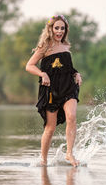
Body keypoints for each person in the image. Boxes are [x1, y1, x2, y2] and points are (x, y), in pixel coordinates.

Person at [26, 15, 82, 167]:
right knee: (50, 128)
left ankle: (69, 154)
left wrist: (76, 74)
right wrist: (42, 73)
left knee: (72, 116)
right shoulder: (44, 46)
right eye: (56, 28)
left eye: (62, 28)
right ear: (50, 29)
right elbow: (29, 66)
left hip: (68, 87)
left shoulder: (66, 46)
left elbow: (68, 68)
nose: (59, 31)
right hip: (51, 89)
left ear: (65, 30)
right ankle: (43, 160)